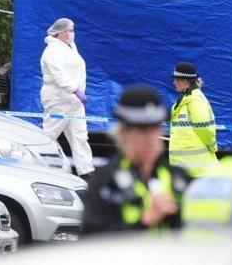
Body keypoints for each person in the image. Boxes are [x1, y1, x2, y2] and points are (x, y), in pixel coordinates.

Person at [82, 85, 191, 234]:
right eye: (142, 130)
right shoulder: (104, 181)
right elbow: (91, 245)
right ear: (123, 133)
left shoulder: (178, 178)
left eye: (155, 128)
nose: (150, 139)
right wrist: (145, 222)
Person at [40, 18, 94, 179]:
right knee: (49, 136)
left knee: (80, 137)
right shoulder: (51, 52)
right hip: (59, 101)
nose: (73, 33)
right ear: (60, 33)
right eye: (70, 30)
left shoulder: (70, 47)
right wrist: (75, 90)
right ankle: (38, 168)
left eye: (73, 30)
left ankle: (87, 172)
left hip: (74, 103)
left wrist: (78, 94)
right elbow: (59, 76)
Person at [169, 62, 218, 176]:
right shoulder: (186, 99)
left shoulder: (195, 101)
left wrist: (212, 147)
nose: (174, 82)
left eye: (176, 79)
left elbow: (205, 129)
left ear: (185, 81)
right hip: (188, 169)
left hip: (197, 172)